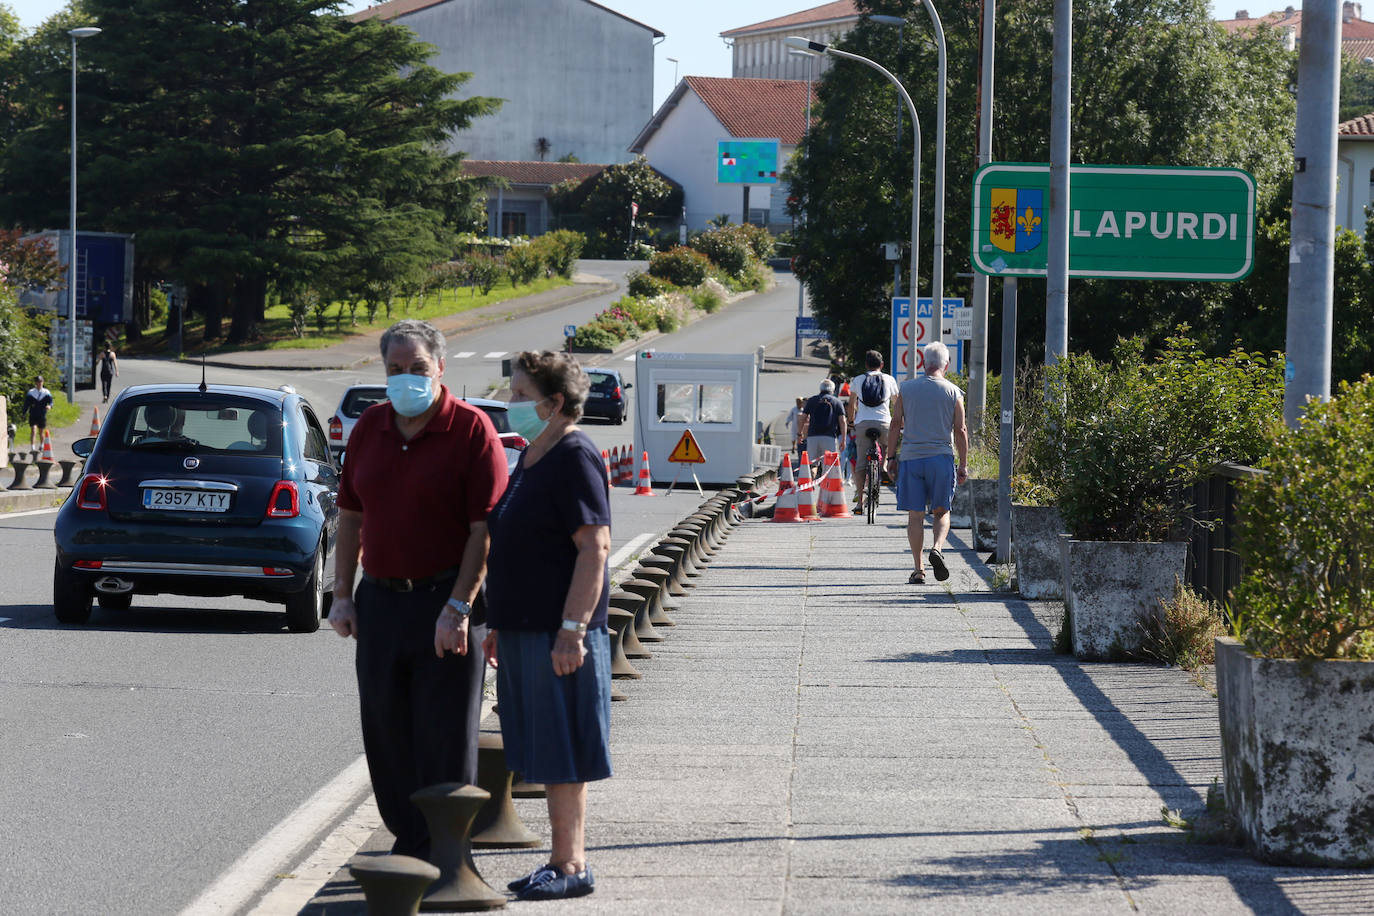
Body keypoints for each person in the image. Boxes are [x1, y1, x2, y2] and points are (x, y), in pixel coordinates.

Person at [326, 319, 508, 860]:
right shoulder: (370, 428)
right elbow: (351, 516)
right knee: (385, 729)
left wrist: (459, 606)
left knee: (445, 735)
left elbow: (485, 529)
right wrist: (342, 594)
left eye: (418, 369)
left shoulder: (472, 429)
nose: (406, 379)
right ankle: (409, 843)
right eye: (395, 370)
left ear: (440, 368)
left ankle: (450, 854)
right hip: (380, 602)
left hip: (445, 605)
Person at [483, 350, 612, 902]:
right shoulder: (536, 454)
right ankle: (559, 861)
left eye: (518, 395)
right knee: (542, 747)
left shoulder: (574, 453)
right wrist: (498, 621)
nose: (510, 404)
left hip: (556, 634)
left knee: (562, 752)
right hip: (522, 630)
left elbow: (594, 547)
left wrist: (572, 628)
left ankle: (570, 863)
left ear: (554, 403)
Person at [886, 341, 969, 584]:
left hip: (912, 459)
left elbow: (895, 423)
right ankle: (937, 549)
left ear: (923, 363)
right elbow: (961, 429)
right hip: (941, 459)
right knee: (941, 511)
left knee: (915, 515)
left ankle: (918, 569)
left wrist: (891, 457)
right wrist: (963, 464)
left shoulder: (907, 389)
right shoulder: (954, 392)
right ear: (947, 364)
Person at [847, 351, 900, 515]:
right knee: (889, 444)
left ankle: (859, 505)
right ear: (882, 365)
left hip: (863, 423)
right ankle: (884, 464)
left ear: (866, 365)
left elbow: (851, 405)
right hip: (884, 422)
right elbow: (897, 403)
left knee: (861, 462)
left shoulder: (857, 380)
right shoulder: (889, 379)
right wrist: (900, 421)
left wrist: (851, 421)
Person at [798, 379, 847, 467]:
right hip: (829, 437)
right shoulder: (837, 402)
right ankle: (826, 480)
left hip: (813, 436)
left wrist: (799, 433)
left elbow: (803, 417)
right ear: (833, 390)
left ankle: (813, 479)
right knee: (829, 465)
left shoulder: (812, 400)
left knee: (812, 464)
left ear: (820, 389)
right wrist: (843, 439)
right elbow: (842, 421)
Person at [23, 376, 54, 451]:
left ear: (43, 382)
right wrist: (23, 413)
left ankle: (42, 445)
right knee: (33, 430)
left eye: (40, 382)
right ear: (35, 383)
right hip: (33, 414)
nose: (39, 383)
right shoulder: (31, 392)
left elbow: (51, 402)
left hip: (42, 414)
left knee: (41, 431)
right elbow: (26, 404)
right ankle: (32, 447)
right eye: (38, 382)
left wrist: (49, 406)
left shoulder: (46, 392)